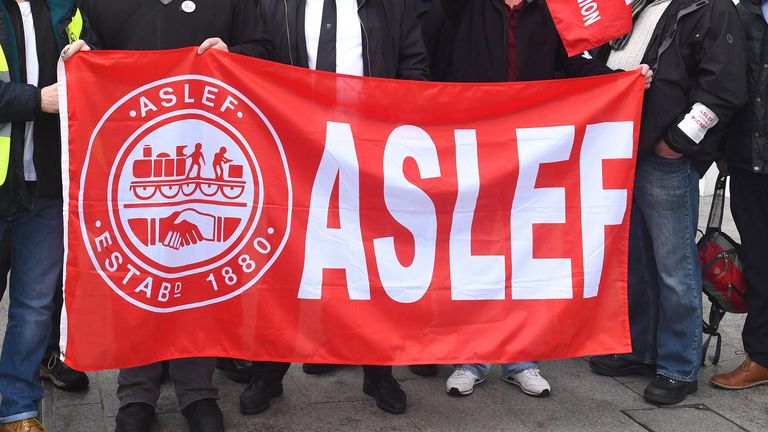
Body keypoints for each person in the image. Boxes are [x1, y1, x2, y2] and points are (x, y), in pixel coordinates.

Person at [420, 0, 652, 399]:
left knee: (523, 251)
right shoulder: (461, 7)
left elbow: (575, 64)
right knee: (474, 252)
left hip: (531, 151)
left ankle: (521, 359)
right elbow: (434, 59)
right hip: (472, 145)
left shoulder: (551, 11)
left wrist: (621, 79)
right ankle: (470, 356)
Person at [75, 1, 268, 431]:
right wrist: (80, 57)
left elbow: (263, 48)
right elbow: (88, 56)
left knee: (197, 275)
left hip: (205, 162)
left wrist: (235, 52)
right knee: (139, 277)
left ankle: (198, 393)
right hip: (133, 165)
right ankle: (136, 396)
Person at [239, 0, 429, 416]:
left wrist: (393, 128)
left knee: (370, 264)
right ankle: (268, 374)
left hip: (368, 151)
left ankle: (379, 373)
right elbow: (255, 56)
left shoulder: (390, 6)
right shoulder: (274, 3)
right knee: (284, 265)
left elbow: (414, 68)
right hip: (294, 151)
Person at [588, 0, 748, 405]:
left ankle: (679, 366)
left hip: (663, 158)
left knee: (675, 267)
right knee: (639, 260)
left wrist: (675, 144)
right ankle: (641, 350)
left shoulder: (713, 10)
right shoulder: (641, 6)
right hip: (629, 149)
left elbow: (724, 91)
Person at [0, 0, 94, 430]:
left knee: (35, 305)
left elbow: (97, 54)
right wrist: (36, 100)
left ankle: (18, 410)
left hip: (49, 184)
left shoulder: (64, 8)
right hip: (4, 185)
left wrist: (90, 55)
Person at [709, 0, 768, 391]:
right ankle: (762, 355)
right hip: (751, 158)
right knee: (761, 258)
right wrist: (722, 150)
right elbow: (727, 84)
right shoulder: (739, 11)